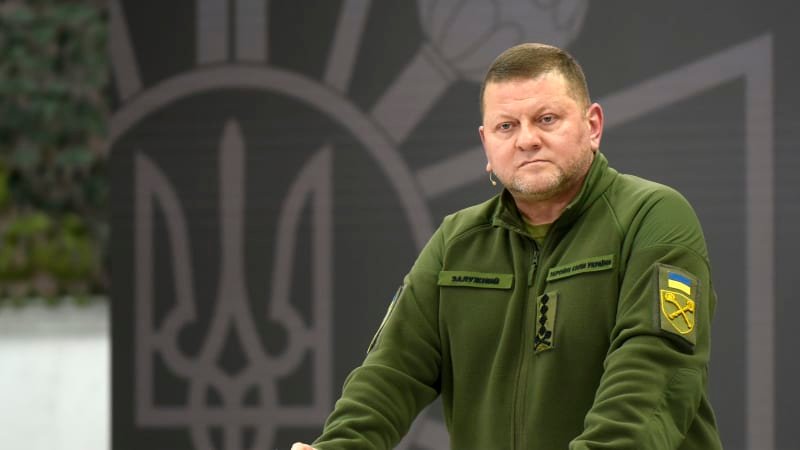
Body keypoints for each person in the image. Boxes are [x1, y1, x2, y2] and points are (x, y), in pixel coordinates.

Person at [292, 43, 722, 449]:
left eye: (547, 119)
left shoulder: (652, 216)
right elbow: (391, 371)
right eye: (507, 126)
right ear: (486, 144)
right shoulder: (457, 242)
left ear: (592, 126)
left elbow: (656, 372)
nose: (526, 140)